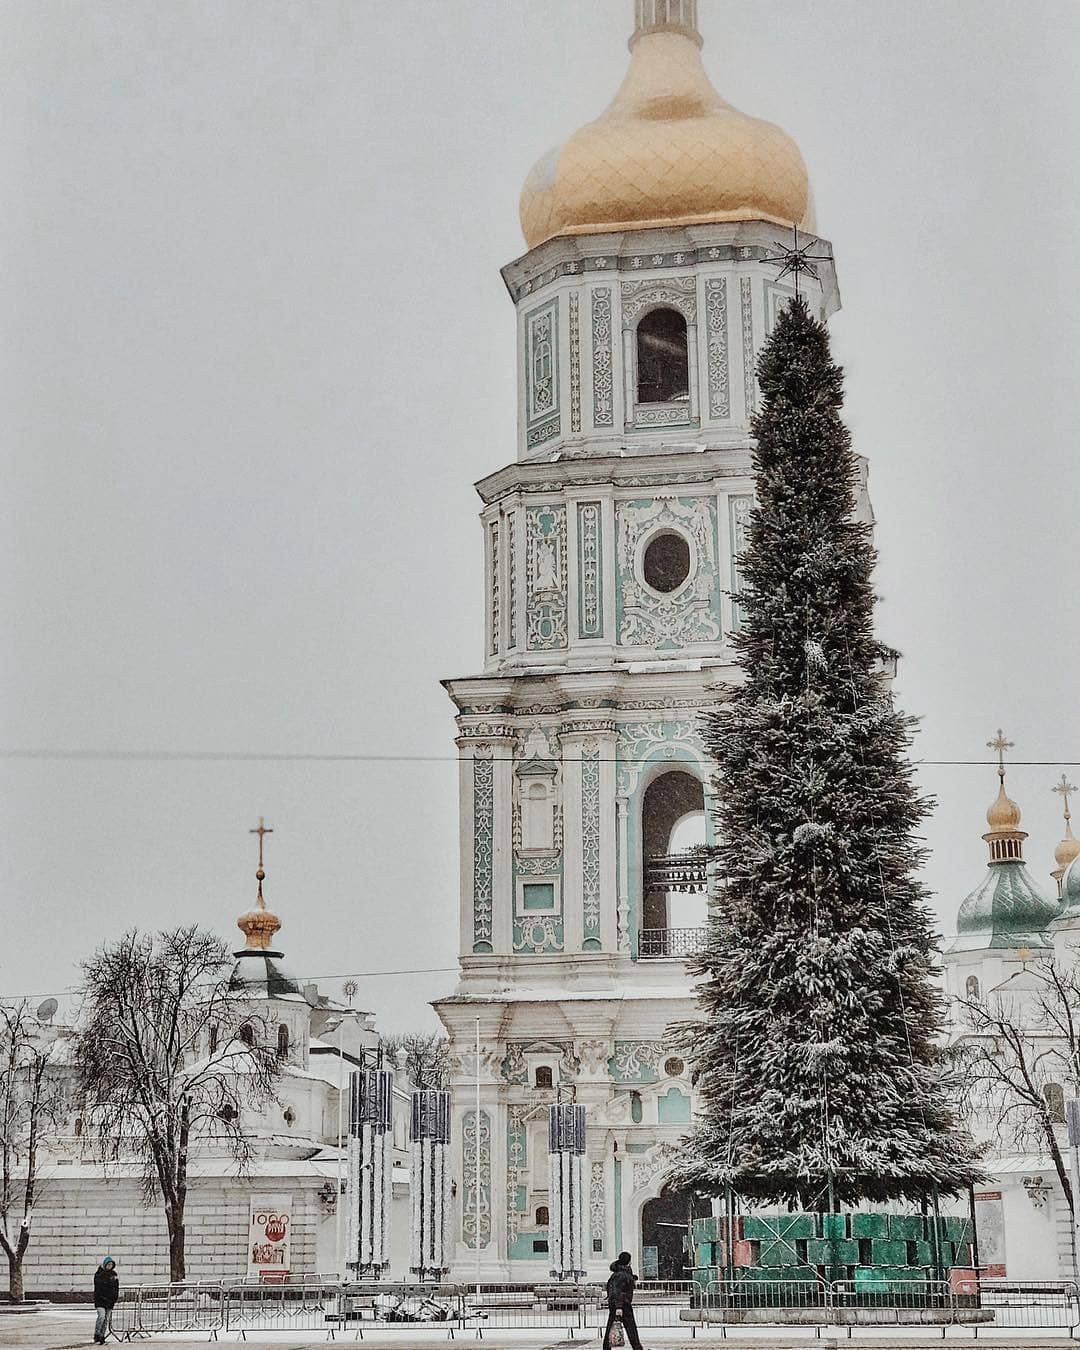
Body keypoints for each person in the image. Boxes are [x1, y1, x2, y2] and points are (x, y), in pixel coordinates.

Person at [604, 1251, 643, 1350]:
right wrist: (619, 1307)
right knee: (631, 1329)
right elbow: (617, 1291)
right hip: (622, 1305)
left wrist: (632, 1278)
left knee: (612, 1327)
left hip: (620, 1304)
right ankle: (637, 1348)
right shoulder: (621, 1275)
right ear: (628, 1261)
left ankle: (606, 1347)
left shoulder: (621, 1273)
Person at [93, 1256, 119, 1344]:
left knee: (106, 1319)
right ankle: (97, 1333)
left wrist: (114, 1298)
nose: (110, 1266)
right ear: (105, 1265)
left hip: (110, 1301)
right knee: (101, 1316)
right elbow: (98, 1287)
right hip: (100, 1300)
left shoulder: (114, 1275)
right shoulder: (99, 1274)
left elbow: (116, 1288)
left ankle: (102, 1335)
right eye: (108, 1264)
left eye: (111, 1265)